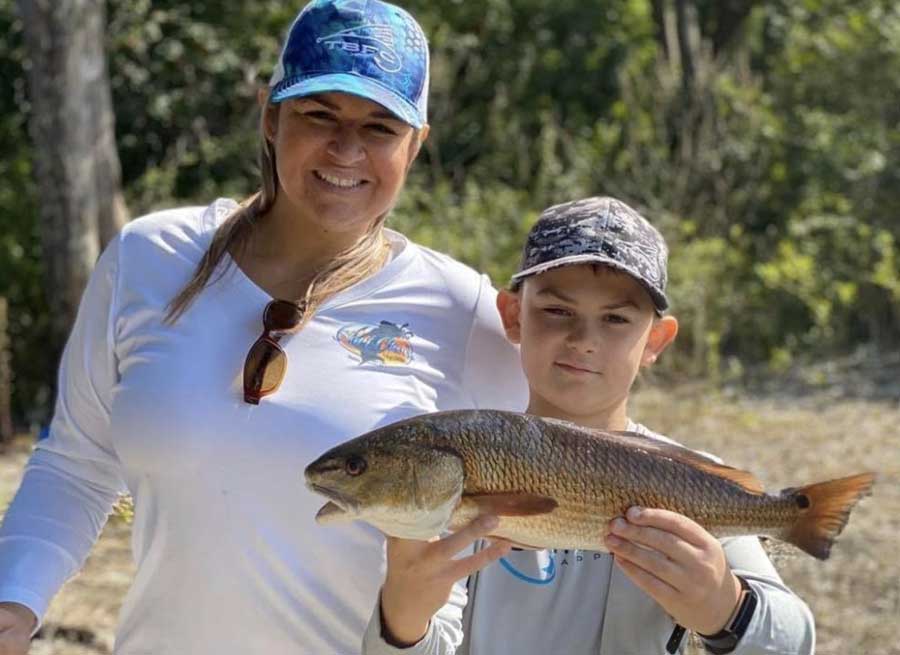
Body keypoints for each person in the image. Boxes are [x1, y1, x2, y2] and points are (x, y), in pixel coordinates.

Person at [0, 1, 527, 653]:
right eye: (319, 115)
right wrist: (15, 598)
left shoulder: (465, 309)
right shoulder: (148, 259)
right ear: (272, 117)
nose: (346, 149)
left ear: (415, 144)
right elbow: (77, 464)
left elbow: (546, 497)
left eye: (381, 126)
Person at [365, 196, 815, 655]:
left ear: (655, 341)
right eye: (558, 311)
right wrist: (403, 617)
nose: (584, 341)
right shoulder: (463, 467)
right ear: (513, 315)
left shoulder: (692, 479)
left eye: (617, 319)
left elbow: (795, 641)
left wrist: (725, 608)